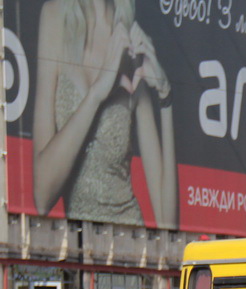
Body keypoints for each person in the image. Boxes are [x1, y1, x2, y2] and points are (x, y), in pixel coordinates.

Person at [33, 0, 178, 228]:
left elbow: (167, 221)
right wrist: (96, 94)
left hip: (128, 247)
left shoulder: (130, 39)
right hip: (79, 250)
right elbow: (42, 198)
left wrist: (166, 96)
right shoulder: (55, 18)